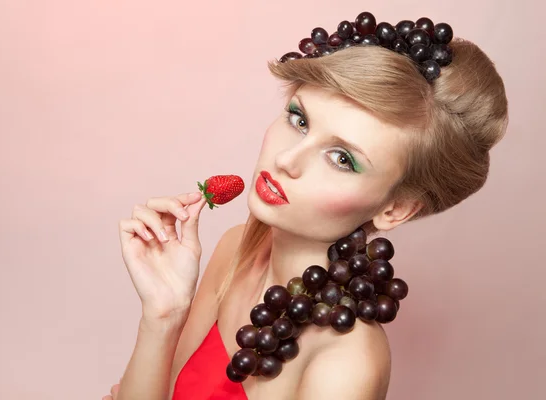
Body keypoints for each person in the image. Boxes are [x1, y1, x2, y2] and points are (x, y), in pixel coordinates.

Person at [102, 13, 508, 400]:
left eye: (341, 159)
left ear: (396, 210)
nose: (287, 160)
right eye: (299, 120)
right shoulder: (237, 249)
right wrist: (163, 314)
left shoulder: (345, 365)